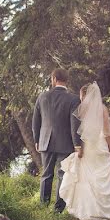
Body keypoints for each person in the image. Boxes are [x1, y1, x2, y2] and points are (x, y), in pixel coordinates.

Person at [58, 82, 110, 220]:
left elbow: (79, 131)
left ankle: (89, 209)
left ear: (85, 95)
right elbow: (107, 132)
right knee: (103, 172)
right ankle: (109, 207)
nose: (80, 98)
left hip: (88, 146)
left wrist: (79, 147)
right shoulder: (102, 108)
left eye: (81, 95)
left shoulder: (82, 109)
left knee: (87, 176)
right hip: (100, 145)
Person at [31, 68, 81, 212]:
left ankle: (43, 205)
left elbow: (36, 122)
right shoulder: (73, 99)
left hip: (45, 142)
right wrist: (77, 144)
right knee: (62, 175)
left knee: (46, 174)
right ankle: (58, 209)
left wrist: (36, 140)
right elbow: (74, 124)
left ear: (53, 79)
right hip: (65, 143)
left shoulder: (42, 96)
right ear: (66, 80)